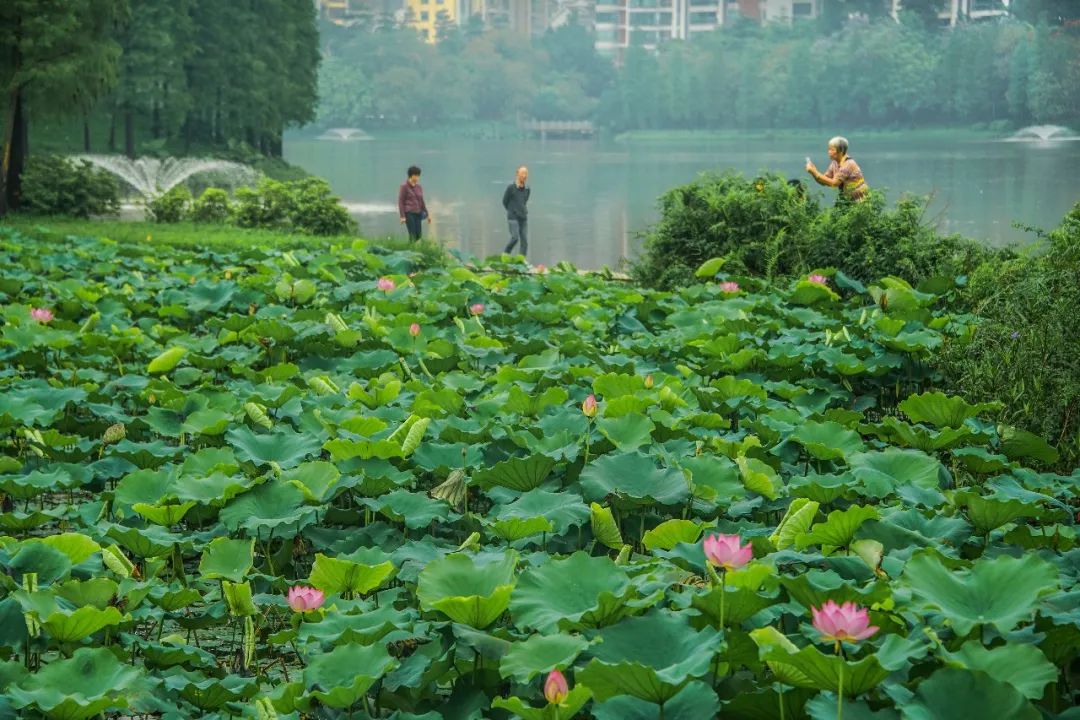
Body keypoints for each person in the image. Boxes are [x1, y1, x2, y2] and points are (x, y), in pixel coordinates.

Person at [806, 136, 868, 202]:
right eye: (829, 149)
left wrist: (815, 172)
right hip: (847, 200)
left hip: (860, 201)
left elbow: (834, 183)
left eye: (832, 150)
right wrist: (813, 171)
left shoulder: (848, 164)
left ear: (841, 151)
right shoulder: (835, 162)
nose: (829, 152)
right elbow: (824, 181)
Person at [502, 165, 530, 256]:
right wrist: (511, 210)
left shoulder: (527, 189)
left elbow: (524, 201)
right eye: (522, 173)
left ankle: (521, 260)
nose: (524, 175)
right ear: (517, 174)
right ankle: (505, 254)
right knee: (515, 238)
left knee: (524, 240)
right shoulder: (511, 188)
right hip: (513, 217)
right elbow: (504, 201)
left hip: (523, 217)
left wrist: (522, 210)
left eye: (526, 173)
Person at [398, 165, 431, 241]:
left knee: (418, 236)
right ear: (411, 176)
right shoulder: (404, 186)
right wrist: (402, 216)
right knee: (412, 235)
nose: (417, 178)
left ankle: (411, 249)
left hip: (418, 213)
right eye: (415, 175)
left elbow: (422, 201)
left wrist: (427, 214)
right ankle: (410, 251)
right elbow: (401, 201)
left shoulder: (419, 187)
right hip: (409, 213)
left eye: (418, 176)